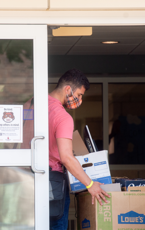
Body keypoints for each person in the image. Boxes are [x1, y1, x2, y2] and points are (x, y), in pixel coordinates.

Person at [49, 69, 110, 230]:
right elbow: (66, 158)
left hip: (27, 179)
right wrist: (90, 185)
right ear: (68, 89)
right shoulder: (62, 117)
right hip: (53, 185)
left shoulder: (32, 104)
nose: (80, 100)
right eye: (80, 94)